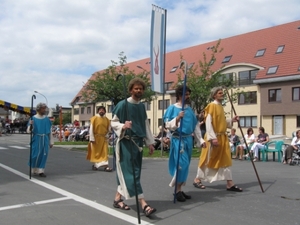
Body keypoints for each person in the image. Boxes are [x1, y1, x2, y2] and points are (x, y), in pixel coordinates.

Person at [111, 77, 156, 217]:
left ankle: (117, 199)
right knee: (132, 174)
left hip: (138, 144)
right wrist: (122, 126)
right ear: (131, 90)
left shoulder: (142, 106)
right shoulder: (122, 104)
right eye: (136, 88)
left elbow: (145, 124)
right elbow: (113, 122)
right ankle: (144, 204)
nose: (138, 90)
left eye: (141, 88)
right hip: (126, 142)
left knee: (132, 173)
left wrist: (150, 142)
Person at [195, 87, 243, 192]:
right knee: (207, 159)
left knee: (226, 160)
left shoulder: (220, 107)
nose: (222, 94)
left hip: (222, 137)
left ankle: (230, 183)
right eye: (219, 93)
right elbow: (208, 123)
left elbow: (222, 122)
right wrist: (212, 138)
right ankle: (197, 179)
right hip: (213, 138)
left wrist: (232, 120)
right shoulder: (211, 106)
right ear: (214, 95)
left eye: (222, 93)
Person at [164, 85, 205, 202]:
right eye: (186, 94)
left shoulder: (190, 110)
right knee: (182, 165)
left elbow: (196, 126)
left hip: (188, 140)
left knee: (185, 166)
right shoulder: (172, 108)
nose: (188, 96)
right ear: (179, 95)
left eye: (188, 94)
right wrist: (177, 118)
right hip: (178, 140)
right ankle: (176, 191)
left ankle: (180, 189)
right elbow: (167, 125)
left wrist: (200, 140)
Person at [27, 103, 53, 177]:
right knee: (34, 155)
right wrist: (31, 126)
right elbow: (28, 131)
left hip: (45, 138)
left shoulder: (46, 119)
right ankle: (34, 168)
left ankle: (41, 170)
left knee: (44, 154)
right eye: (43, 108)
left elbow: (49, 131)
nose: (44, 110)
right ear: (38, 109)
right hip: (36, 138)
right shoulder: (33, 118)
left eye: (45, 108)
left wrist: (51, 142)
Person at [86, 106, 112, 172]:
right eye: (100, 110)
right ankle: (96, 165)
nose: (101, 111)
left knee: (104, 152)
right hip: (95, 138)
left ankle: (106, 166)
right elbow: (91, 129)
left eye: (103, 110)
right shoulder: (94, 118)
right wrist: (91, 138)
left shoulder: (107, 120)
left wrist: (107, 136)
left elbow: (108, 129)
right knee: (96, 153)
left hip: (103, 139)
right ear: (98, 111)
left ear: (105, 112)